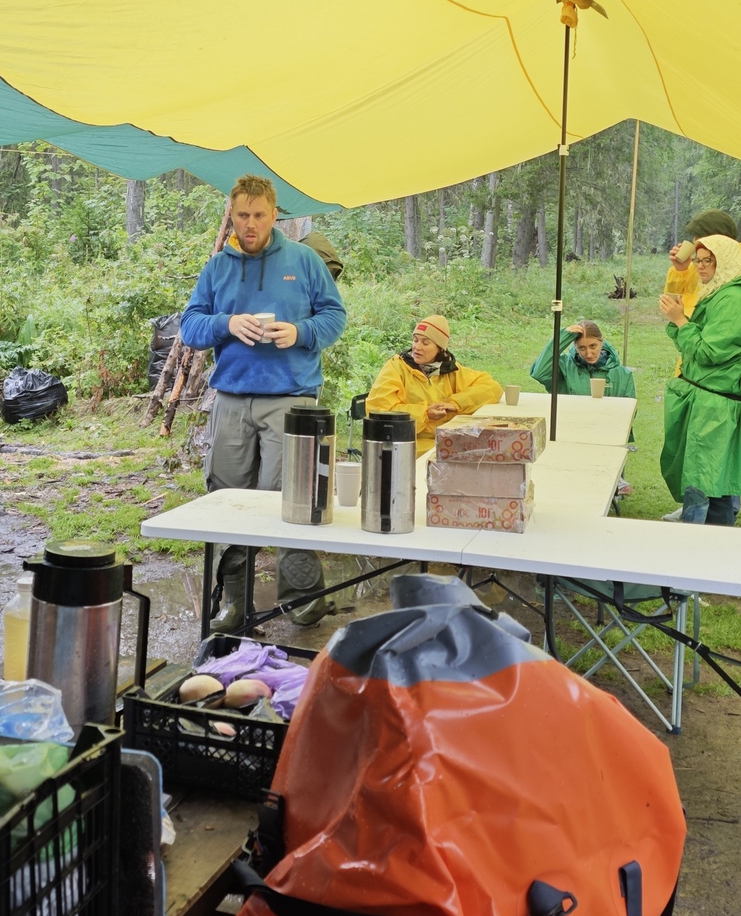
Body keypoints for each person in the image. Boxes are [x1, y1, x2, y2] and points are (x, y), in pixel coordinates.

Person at [179, 175, 347, 629]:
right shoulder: (217, 267)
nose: (250, 225)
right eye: (242, 215)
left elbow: (335, 317)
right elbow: (189, 326)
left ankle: (304, 598)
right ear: (231, 216)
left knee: (289, 499)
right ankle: (236, 602)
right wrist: (227, 324)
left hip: (291, 399)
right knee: (228, 501)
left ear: (275, 215)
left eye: (258, 215)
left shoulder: (304, 260)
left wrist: (300, 332)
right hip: (232, 399)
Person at [657, 234, 741, 525]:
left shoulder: (735, 301)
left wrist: (681, 321)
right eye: (699, 260)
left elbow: (708, 351)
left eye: (708, 261)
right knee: (711, 473)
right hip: (706, 395)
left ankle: (696, 535)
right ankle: (713, 533)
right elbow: (693, 345)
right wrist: (679, 320)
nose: (701, 267)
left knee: (703, 473)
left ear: (725, 261)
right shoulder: (719, 292)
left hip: (714, 401)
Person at [365, 315, 502, 452]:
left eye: (425, 343)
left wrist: (456, 404)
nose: (417, 347)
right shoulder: (396, 368)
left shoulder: (450, 370)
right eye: (415, 340)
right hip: (406, 444)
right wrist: (425, 413)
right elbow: (379, 410)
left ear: (440, 348)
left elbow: (492, 388)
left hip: (446, 440)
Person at [663, 209, 741, 324]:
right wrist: (680, 270)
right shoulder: (699, 262)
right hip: (692, 336)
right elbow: (672, 302)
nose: (694, 241)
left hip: (719, 337)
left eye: (699, 236)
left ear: (718, 239)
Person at [528, 320, 636, 398]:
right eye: (582, 348)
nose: (589, 354)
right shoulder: (564, 367)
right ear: (575, 346)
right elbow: (539, 373)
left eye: (593, 346)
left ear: (602, 342)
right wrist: (561, 338)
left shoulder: (623, 375)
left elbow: (630, 413)